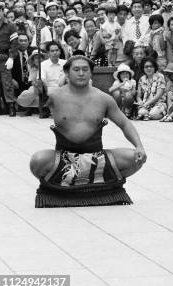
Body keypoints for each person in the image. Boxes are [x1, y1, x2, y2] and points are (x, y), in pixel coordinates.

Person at [29, 55, 146, 200]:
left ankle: (96, 186)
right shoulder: (54, 95)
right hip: (63, 158)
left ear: (91, 73)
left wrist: (139, 146)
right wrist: (35, 91)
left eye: (85, 69)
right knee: (37, 161)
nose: (81, 73)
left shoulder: (103, 98)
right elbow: (23, 101)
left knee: (136, 158)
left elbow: (124, 123)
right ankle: (72, 185)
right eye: (76, 69)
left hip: (97, 157)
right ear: (67, 73)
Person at [0, 0, 19, 116]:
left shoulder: (10, 25)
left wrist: (12, 58)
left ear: (3, 12)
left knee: (7, 82)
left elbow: (14, 43)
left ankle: (11, 105)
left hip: (4, 56)